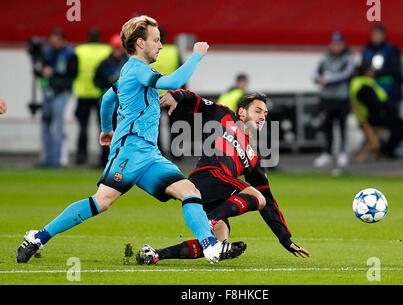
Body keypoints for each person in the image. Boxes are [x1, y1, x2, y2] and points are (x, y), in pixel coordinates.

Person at [16, 15, 243, 265]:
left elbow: (108, 99)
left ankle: (209, 246)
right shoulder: (138, 70)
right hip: (130, 151)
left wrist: (106, 129)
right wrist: (197, 54)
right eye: (155, 40)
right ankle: (38, 237)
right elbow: (173, 82)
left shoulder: (130, 69)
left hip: (149, 154)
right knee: (101, 202)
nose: (160, 45)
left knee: (190, 192)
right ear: (139, 43)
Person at [135, 90, 311, 264]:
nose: (262, 117)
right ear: (242, 112)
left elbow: (269, 202)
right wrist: (176, 95)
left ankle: (155, 254)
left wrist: (285, 239)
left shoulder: (253, 156)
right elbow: (195, 100)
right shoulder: (224, 115)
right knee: (257, 197)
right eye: (257, 111)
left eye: (265, 113)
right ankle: (212, 219)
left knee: (218, 245)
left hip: (216, 192)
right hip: (208, 174)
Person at [350, 61, 403, 162]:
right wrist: (388, 107)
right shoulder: (364, 86)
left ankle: (384, 149)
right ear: (366, 72)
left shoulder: (358, 83)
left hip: (366, 118)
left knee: (397, 122)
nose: (373, 73)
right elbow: (374, 105)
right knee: (402, 125)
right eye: (371, 70)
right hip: (371, 118)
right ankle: (387, 151)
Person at [313, 32, 355, 168]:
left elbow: (345, 74)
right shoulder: (325, 59)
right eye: (334, 44)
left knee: (342, 127)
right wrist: (319, 79)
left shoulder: (348, 58)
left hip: (341, 99)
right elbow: (315, 74)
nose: (336, 46)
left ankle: (343, 153)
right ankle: (327, 153)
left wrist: (327, 79)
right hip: (327, 99)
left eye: (338, 44)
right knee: (328, 127)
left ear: (343, 44)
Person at [39, 29, 78, 167]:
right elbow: (39, 69)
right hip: (48, 90)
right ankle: (46, 158)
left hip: (61, 91)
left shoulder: (69, 54)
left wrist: (54, 73)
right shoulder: (47, 53)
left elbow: (72, 74)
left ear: (62, 40)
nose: (53, 43)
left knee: (57, 124)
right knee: (45, 122)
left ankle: (56, 159)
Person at [73, 28, 112, 166]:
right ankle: (104, 157)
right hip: (100, 94)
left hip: (83, 92)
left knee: (83, 127)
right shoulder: (106, 50)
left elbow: (73, 69)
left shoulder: (79, 50)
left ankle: (81, 156)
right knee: (104, 127)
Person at [94, 33, 129, 166]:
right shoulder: (104, 63)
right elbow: (96, 81)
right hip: (108, 105)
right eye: (115, 48)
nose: (117, 51)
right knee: (106, 131)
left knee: (122, 135)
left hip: (123, 106)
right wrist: (109, 83)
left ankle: (120, 161)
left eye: (119, 48)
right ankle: (104, 160)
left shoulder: (128, 64)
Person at [362, 24, 403, 116]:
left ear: (384, 35)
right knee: (373, 117)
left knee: (391, 117)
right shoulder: (367, 49)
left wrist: (376, 73)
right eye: (374, 34)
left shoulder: (391, 49)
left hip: (390, 91)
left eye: (378, 34)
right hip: (372, 90)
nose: (375, 37)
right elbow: (363, 68)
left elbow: (395, 69)